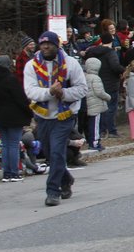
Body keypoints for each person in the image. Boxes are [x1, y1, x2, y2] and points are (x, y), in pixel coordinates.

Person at [24, 31, 88, 206]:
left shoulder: (70, 64)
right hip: (43, 116)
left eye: (49, 44)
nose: (45, 47)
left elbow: (82, 89)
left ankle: (53, 191)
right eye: (42, 44)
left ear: (56, 45)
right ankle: (65, 179)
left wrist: (64, 93)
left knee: (57, 150)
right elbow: (30, 91)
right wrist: (50, 92)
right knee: (51, 153)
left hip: (65, 115)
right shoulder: (31, 66)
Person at [0, 54, 31, 182]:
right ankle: (14, 172)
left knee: (5, 145)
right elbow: (20, 98)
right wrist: (29, 111)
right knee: (13, 144)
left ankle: (6, 173)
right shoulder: (10, 79)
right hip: (13, 116)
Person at [83, 29, 124, 138]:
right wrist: (123, 70)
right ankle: (111, 130)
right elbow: (115, 67)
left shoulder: (92, 52)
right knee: (110, 107)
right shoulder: (111, 53)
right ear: (111, 40)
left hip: (94, 82)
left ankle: (100, 130)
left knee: (97, 108)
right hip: (110, 82)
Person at [83, 57, 110, 150]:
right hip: (96, 105)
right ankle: (95, 143)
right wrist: (107, 97)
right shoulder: (96, 78)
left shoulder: (84, 77)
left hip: (88, 104)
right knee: (95, 125)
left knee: (90, 124)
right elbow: (99, 92)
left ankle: (90, 141)